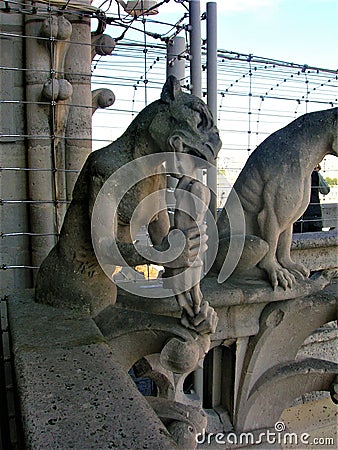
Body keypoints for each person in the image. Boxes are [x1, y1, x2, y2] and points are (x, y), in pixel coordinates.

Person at [293, 164, 330, 232]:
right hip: (314, 216)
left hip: (297, 216)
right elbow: (325, 190)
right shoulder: (315, 174)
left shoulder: (294, 175)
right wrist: (316, 174)